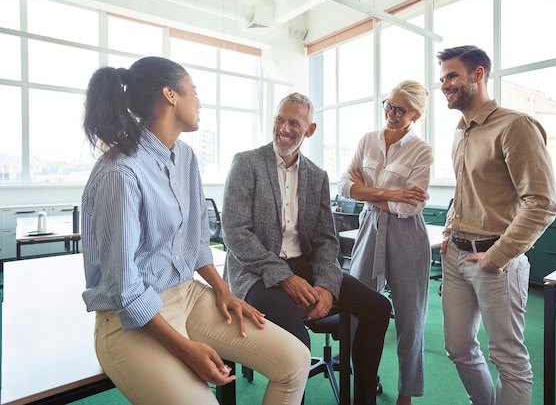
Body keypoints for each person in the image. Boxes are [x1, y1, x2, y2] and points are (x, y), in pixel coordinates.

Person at [80, 56, 310, 405]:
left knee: (295, 360)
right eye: (195, 91)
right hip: (130, 317)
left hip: (186, 293)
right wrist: (185, 349)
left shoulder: (184, 157)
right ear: (171, 95)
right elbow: (125, 289)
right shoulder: (120, 173)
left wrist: (223, 290)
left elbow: (196, 241)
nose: (199, 101)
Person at [221, 92, 393, 405]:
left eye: (294, 123)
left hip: (306, 266)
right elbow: (234, 233)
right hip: (255, 273)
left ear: (309, 130)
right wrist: (283, 276)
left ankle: (363, 400)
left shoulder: (317, 175)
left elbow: (327, 238)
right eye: (279, 120)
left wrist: (327, 285)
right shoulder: (247, 164)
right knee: (297, 344)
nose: (284, 128)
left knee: (378, 308)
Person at [436, 45, 556, 405]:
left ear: (478, 75)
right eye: (442, 77)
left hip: (496, 260)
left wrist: (498, 255)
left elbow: (541, 203)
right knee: (458, 348)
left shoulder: (515, 126)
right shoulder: (461, 133)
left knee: (508, 359)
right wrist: (447, 229)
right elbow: (464, 191)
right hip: (456, 256)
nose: (444, 84)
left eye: (452, 75)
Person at [337, 80, 432, 405]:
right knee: (357, 307)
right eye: (388, 105)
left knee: (410, 316)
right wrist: (390, 193)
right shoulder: (368, 140)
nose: (391, 113)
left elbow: (410, 206)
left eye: (400, 109)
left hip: (408, 234)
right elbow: (344, 185)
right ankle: (364, 377)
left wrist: (368, 192)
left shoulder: (422, 151)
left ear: (415, 116)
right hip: (370, 229)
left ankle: (406, 391)